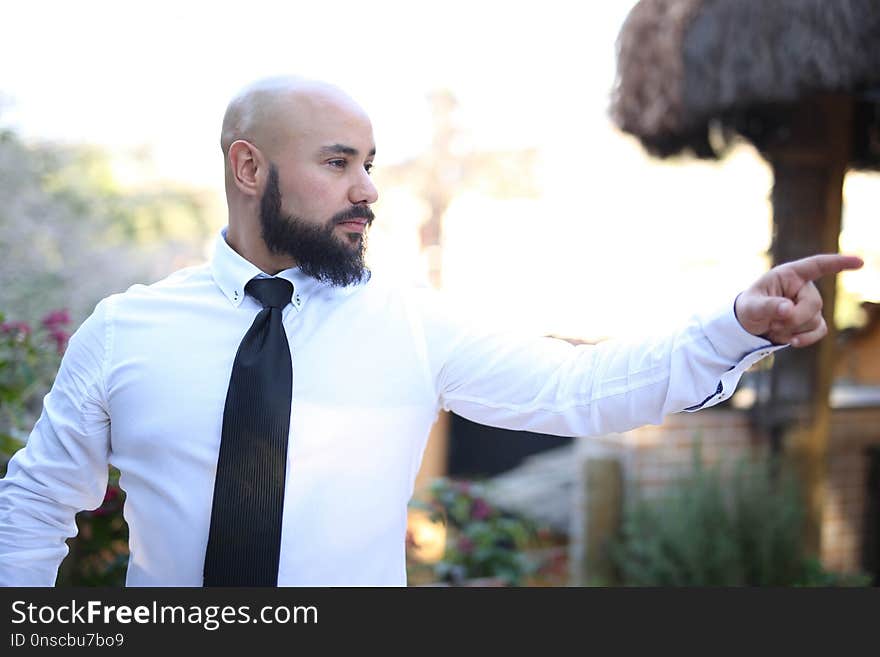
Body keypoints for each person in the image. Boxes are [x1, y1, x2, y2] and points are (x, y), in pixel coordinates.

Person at [0, 76, 864, 587]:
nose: (368, 189)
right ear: (249, 165)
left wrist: (733, 329)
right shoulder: (126, 331)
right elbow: (36, 505)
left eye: (369, 164)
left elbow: (580, 388)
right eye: (338, 162)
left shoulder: (414, 325)